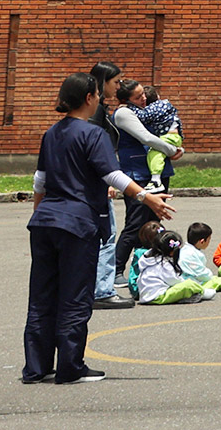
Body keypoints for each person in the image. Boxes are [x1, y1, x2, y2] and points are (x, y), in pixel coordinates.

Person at [22, 73, 174, 385]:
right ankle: (70, 367)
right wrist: (147, 197)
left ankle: (35, 368)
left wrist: (43, 213)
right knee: (75, 296)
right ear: (90, 98)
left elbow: (40, 181)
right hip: (77, 223)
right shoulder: (93, 134)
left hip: (45, 222)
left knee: (42, 295)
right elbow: (112, 174)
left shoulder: (52, 133)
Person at [113, 79, 184, 287]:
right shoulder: (124, 113)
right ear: (126, 99)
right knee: (135, 223)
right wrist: (171, 151)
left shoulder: (152, 109)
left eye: (143, 93)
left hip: (158, 172)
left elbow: (169, 132)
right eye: (137, 97)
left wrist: (177, 148)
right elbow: (146, 138)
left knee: (154, 223)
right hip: (138, 174)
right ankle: (116, 270)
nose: (143, 98)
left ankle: (152, 264)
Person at [88, 61, 134, 309]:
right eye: (116, 82)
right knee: (106, 236)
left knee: (102, 235)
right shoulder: (95, 113)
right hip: (100, 181)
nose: (119, 87)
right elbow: (94, 149)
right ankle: (102, 291)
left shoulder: (99, 109)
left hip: (100, 178)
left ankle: (94, 288)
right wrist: (106, 179)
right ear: (103, 80)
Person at [137, 230, 215, 304]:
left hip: (145, 295)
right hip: (158, 297)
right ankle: (203, 292)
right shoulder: (164, 264)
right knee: (188, 285)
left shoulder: (148, 259)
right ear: (172, 252)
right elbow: (174, 281)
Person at [132, 85, 184, 194]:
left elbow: (143, 116)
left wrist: (130, 108)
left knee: (154, 154)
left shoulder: (153, 110)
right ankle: (156, 179)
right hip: (173, 138)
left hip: (167, 140)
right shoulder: (165, 106)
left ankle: (156, 180)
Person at [180, 222, 221, 291]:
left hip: (196, 279)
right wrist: (210, 275)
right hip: (195, 282)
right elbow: (201, 274)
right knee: (217, 282)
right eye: (209, 239)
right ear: (202, 241)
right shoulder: (190, 254)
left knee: (220, 273)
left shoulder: (186, 250)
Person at [127, 221, 165, 301]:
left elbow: (133, 274)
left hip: (139, 289)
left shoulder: (138, 252)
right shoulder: (163, 252)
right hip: (157, 287)